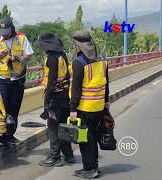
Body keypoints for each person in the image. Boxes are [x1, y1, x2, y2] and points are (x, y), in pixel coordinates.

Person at [0, 16, 34, 145]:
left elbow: (28, 55)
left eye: (6, 33)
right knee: (2, 110)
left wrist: (19, 58)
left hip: (18, 80)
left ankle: (10, 137)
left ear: (11, 29)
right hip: (1, 80)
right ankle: (1, 138)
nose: (4, 36)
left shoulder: (21, 38)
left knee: (14, 110)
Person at [69, 30, 110, 178]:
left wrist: (73, 109)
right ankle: (93, 166)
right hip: (98, 107)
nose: (74, 47)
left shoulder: (78, 63)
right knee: (93, 138)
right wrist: (106, 101)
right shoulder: (102, 60)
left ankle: (90, 170)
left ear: (79, 46)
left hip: (85, 108)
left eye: (75, 44)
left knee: (85, 140)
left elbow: (76, 89)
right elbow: (107, 83)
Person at [34, 32, 75, 167]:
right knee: (64, 127)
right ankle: (69, 155)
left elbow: (51, 83)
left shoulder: (52, 58)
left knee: (53, 128)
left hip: (54, 98)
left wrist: (46, 103)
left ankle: (54, 157)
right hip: (64, 96)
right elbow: (68, 76)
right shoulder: (63, 55)